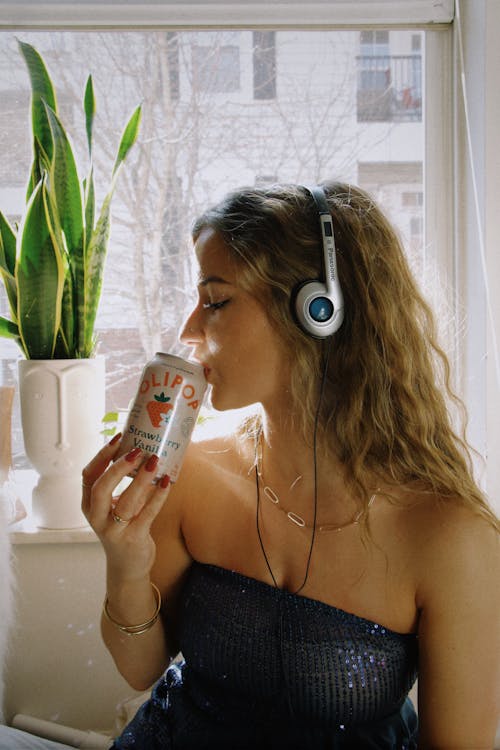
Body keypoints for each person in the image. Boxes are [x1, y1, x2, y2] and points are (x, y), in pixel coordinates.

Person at [80, 181, 499, 749]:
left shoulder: (451, 538)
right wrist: (125, 564)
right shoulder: (193, 477)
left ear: (317, 311)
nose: (188, 332)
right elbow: (140, 670)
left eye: (216, 299)